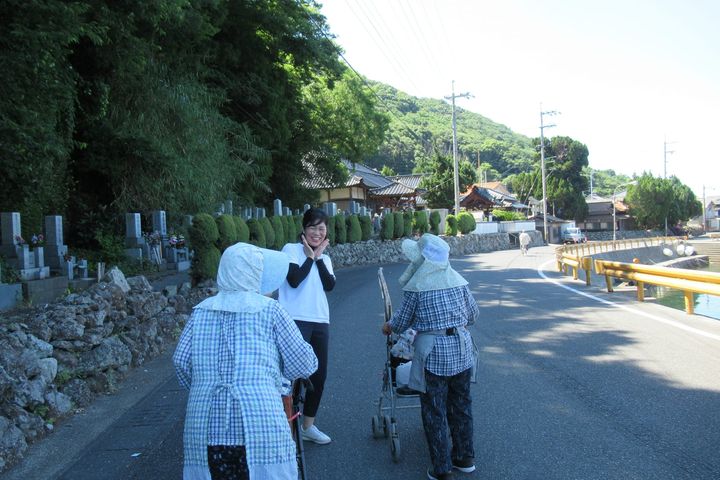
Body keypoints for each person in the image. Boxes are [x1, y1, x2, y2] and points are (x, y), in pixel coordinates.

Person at [173, 243, 318, 480]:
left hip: (205, 424)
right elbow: (302, 363)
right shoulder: (270, 310)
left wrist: (203, 385)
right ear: (254, 272)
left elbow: (181, 361)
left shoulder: (200, 312)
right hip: (259, 421)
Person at [381, 233, 480, 480]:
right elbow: (473, 315)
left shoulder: (419, 287)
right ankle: (464, 457)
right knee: (461, 405)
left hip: (434, 354)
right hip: (462, 349)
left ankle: (442, 468)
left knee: (434, 410)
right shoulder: (458, 282)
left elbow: (402, 322)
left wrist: (388, 326)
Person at [278, 208, 336, 445]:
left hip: (320, 320)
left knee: (318, 375)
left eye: (321, 229)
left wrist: (319, 256)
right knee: (290, 376)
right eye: (312, 227)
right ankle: (286, 430)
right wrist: (310, 256)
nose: (317, 232)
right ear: (303, 229)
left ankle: (308, 426)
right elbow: (294, 280)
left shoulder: (327, 258)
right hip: (294, 319)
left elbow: (329, 285)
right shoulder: (290, 250)